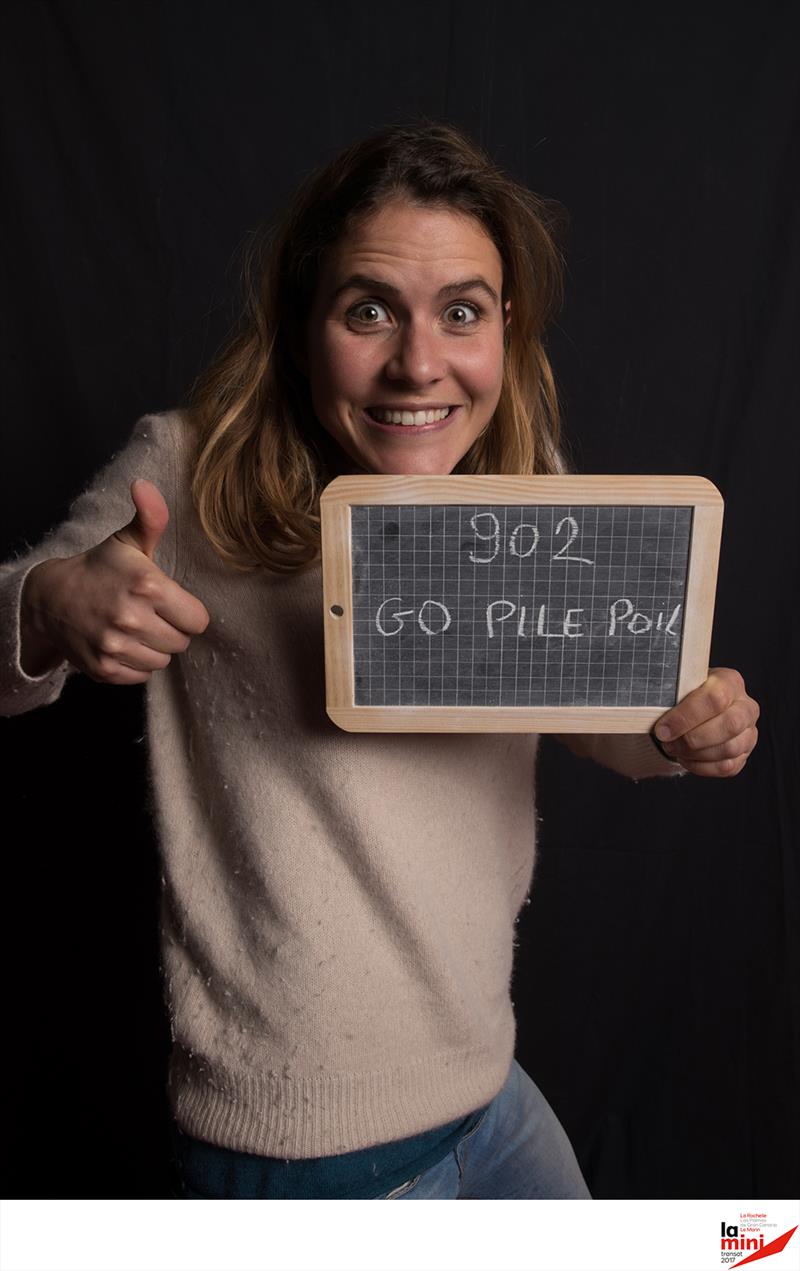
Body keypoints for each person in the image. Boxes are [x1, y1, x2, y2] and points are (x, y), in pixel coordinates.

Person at [0, 119, 759, 1200]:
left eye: (460, 312)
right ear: (304, 323)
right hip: (307, 1152)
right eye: (369, 310)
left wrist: (678, 730)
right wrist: (51, 604)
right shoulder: (187, 464)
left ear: (506, 326)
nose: (418, 363)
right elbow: (14, 630)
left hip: (484, 1087)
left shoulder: (510, 484)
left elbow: (590, 706)